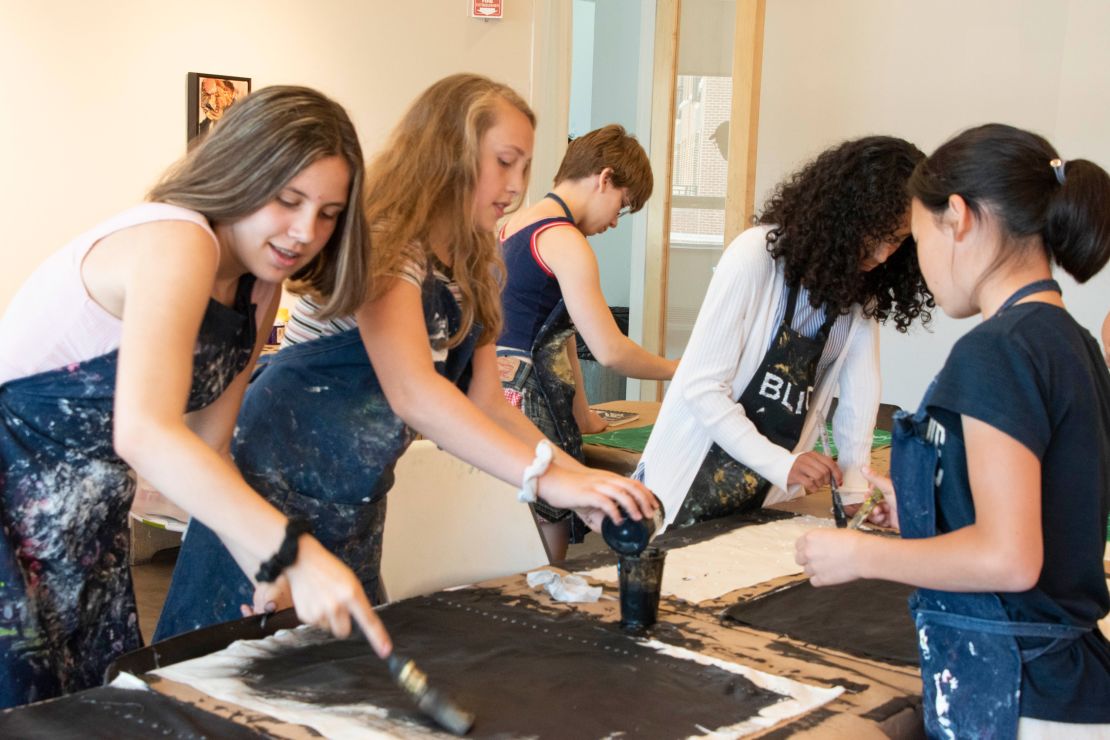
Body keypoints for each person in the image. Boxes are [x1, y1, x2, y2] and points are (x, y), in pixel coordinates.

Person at [155, 74, 659, 640]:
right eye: (504, 162)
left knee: (340, 683)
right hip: (266, 484)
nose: (516, 186)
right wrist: (551, 483)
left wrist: (582, 479)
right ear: (450, 153)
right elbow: (415, 392)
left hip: (356, 495)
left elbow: (489, 404)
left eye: (524, 167)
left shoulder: (479, 263)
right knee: (223, 684)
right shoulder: (387, 243)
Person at [0, 86, 391, 709]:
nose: (304, 232)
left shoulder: (261, 286)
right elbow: (146, 432)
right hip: (14, 504)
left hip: (88, 528)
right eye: (288, 200)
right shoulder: (177, 239)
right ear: (240, 173)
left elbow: (209, 448)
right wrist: (292, 549)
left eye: (328, 213)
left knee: (83, 714)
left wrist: (263, 566)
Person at [796, 124, 1110, 737]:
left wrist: (859, 554)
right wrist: (921, 505)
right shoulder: (1070, 344)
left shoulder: (998, 352)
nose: (919, 264)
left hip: (1023, 696)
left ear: (958, 218)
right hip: (1067, 687)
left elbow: (1010, 558)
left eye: (917, 239)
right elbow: (1050, 510)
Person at [638, 136, 932, 530]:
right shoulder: (754, 256)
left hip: (766, 493)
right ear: (844, 217)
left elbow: (860, 398)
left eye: (896, 241)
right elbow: (702, 388)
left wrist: (854, 491)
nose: (882, 255)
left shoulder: (860, 294)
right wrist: (783, 463)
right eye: (875, 235)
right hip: (684, 479)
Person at [497, 124, 677, 558]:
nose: (615, 221)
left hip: (499, 394)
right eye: (622, 205)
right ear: (604, 178)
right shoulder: (563, 239)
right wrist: (680, 369)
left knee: (504, 541)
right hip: (532, 400)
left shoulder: (509, 227)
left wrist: (584, 418)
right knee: (545, 556)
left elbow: (558, 338)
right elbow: (611, 352)